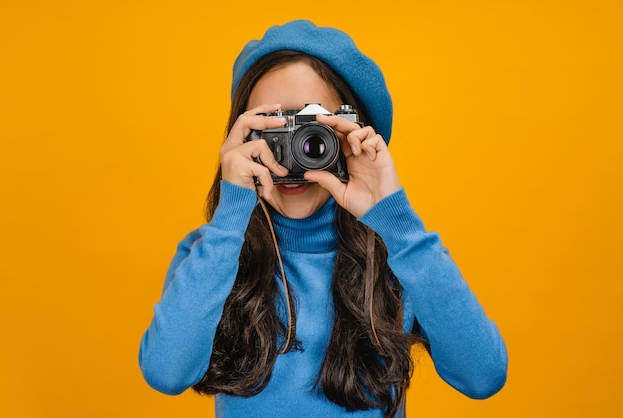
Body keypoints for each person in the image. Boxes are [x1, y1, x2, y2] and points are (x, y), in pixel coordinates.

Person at [139, 19, 508, 418]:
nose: (292, 156)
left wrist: (396, 220)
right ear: (240, 140)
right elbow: (166, 372)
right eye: (270, 130)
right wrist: (231, 215)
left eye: (312, 131)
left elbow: (483, 375)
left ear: (351, 134)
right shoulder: (212, 253)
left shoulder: (398, 256)